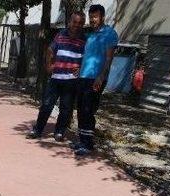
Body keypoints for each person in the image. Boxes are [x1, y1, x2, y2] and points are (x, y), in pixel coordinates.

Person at [27, 11, 86, 141]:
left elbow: (87, 58)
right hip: (56, 78)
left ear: (83, 24)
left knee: (66, 108)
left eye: (80, 23)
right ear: (70, 22)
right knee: (47, 105)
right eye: (74, 22)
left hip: (71, 80)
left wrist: (82, 68)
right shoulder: (60, 35)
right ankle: (37, 130)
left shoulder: (85, 39)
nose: (77, 25)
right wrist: (48, 65)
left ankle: (59, 132)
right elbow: (50, 50)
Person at [73, 4, 118, 156]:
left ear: (102, 17)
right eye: (91, 17)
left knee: (88, 110)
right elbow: (87, 56)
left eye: (95, 16)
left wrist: (101, 76)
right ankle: (82, 139)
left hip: (96, 78)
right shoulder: (90, 35)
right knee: (80, 109)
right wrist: (80, 69)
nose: (92, 19)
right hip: (83, 77)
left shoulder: (110, 33)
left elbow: (109, 58)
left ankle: (88, 144)